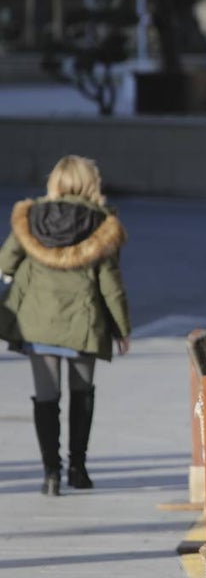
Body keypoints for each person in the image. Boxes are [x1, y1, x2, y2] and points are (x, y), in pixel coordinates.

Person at [0, 155, 131, 495]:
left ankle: (50, 474)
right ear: (92, 183)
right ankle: (78, 468)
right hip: (84, 324)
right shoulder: (103, 224)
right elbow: (110, 283)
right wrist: (121, 327)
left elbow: (5, 261)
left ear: (55, 181)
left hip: (37, 322)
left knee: (46, 396)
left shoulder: (29, 217)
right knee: (82, 393)